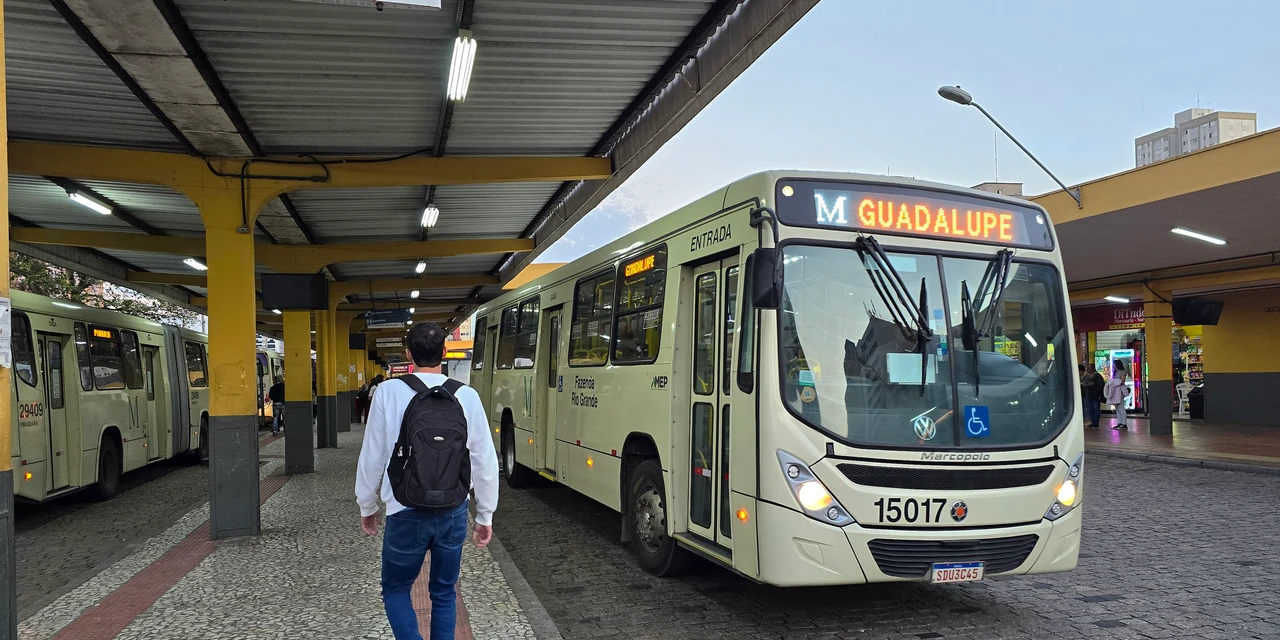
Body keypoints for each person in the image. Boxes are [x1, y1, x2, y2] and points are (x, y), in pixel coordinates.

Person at [355, 323, 498, 640]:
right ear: (444, 353)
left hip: (403, 510)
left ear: (408, 354)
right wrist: (485, 515)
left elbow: (373, 454)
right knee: (444, 592)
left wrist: (367, 505)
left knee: (395, 589)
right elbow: (484, 459)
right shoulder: (467, 396)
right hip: (452, 511)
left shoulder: (388, 392)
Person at [1103, 361, 1130, 430]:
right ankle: (1120, 422)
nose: (1113, 366)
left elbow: (1122, 381)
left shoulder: (1122, 372)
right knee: (1117, 408)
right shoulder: (1116, 372)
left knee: (1120, 407)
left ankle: (1124, 423)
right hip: (1115, 392)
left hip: (1119, 392)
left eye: (1114, 364)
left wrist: (1113, 383)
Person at [1080, 363, 1104, 429]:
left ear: (1093, 368)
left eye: (1089, 367)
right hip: (1088, 395)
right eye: (1087, 367)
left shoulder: (1097, 376)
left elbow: (1098, 384)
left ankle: (1096, 422)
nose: (1087, 369)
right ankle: (1093, 422)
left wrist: (1086, 385)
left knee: (1096, 408)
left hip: (1096, 395)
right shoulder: (1086, 376)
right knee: (1090, 409)